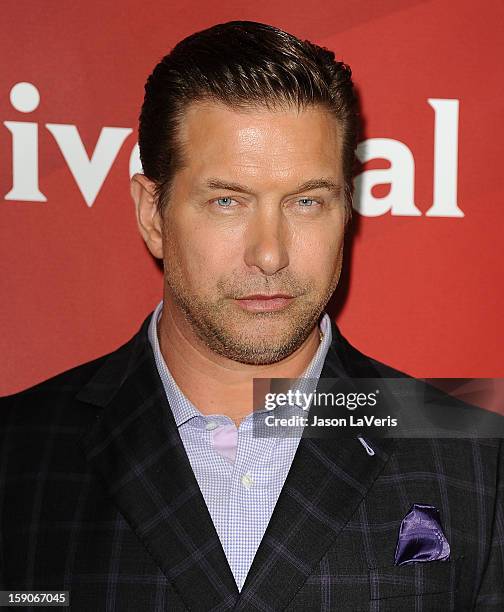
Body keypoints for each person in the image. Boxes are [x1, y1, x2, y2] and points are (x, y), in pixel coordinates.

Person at [0, 21, 502, 612]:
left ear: (346, 208)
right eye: (227, 202)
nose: (270, 253)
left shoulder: (478, 459)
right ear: (153, 215)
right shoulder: (18, 452)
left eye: (307, 202)